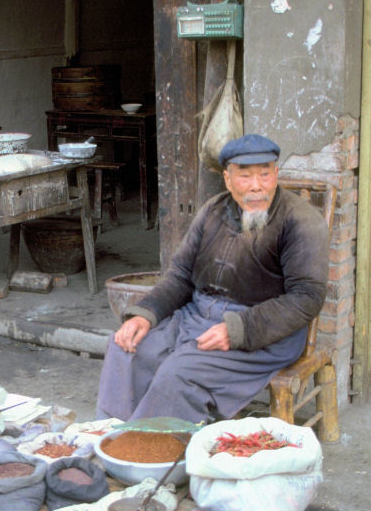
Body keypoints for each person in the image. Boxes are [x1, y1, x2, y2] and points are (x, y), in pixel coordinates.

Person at [96, 134, 330, 423]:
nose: (256, 186)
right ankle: (111, 440)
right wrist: (145, 315)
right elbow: (181, 274)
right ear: (228, 179)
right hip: (196, 318)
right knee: (124, 347)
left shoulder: (301, 221)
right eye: (245, 176)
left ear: (276, 174)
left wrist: (237, 330)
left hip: (263, 334)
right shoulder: (212, 211)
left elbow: (306, 298)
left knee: (180, 372)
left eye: (265, 175)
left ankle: (154, 459)